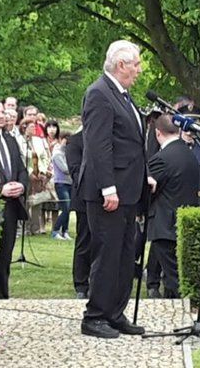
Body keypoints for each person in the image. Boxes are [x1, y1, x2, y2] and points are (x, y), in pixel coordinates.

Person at [76, 40, 148, 339]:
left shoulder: (124, 96)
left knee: (124, 253)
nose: (139, 70)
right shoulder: (99, 94)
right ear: (121, 65)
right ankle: (95, 316)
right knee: (107, 253)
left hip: (128, 189)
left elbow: (129, 144)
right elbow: (98, 145)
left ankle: (115, 312)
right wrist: (108, 187)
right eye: (136, 64)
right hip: (108, 191)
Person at [145, 115, 200, 299]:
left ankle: (177, 311)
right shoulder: (190, 154)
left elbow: (150, 189)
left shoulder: (161, 158)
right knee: (176, 274)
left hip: (165, 223)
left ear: (157, 133)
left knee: (173, 278)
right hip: (183, 221)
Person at [0, 101, 29, 300]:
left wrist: (21, 184)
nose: (2, 116)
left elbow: (21, 167)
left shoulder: (10, 140)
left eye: (3, 112)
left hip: (12, 204)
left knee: (6, 251)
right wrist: (0, 189)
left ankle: (3, 292)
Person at [64, 128, 93, 298]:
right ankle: (81, 283)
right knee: (84, 241)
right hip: (84, 198)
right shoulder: (75, 141)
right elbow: (76, 171)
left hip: (108, 197)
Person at [51, 132, 72, 240]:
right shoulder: (57, 153)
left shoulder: (68, 153)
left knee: (69, 207)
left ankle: (65, 231)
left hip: (70, 183)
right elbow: (65, 169)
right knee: (66, 207)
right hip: (61, 183)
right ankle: (55, 231)